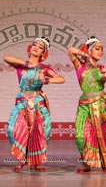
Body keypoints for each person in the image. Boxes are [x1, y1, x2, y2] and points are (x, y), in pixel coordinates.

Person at [4, 37, 65, 172]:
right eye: (34, 44)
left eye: (40, 47)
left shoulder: (44, 68)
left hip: (37, 102)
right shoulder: (21, 65)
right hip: (22, 101)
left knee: (40, 132)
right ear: (30, 48)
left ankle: (35, 162)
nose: (36, 47)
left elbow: (61, 79)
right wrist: (28, 64)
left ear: (43, 53)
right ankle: (22, 159)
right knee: (13, 129)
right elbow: (6, 57)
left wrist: (47, 80)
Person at [68, 36, 106, 173]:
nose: (101, 52)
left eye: (102, 49)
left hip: (101, 104)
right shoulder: (80, 66)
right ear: (89, 50)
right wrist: (85, 56)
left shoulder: (102, 68)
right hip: (85, 106)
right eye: (97, 49)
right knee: (81, 137)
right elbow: (70, 50)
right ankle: (86, 164)